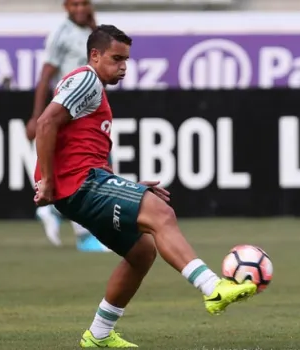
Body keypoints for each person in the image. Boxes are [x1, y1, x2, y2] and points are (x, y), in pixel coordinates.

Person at [33, 24, 257, 348]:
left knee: (141, 251)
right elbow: (45, 123)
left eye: (126, 60)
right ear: (94, 55)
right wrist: (49, 181)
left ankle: (98, 334)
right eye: (116, 59)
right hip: (78, 183)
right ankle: (214, 288)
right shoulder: (85, 79)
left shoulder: (91, 87)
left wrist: (125, 187)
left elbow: (79, 147)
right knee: (160, 212)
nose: (123, 67)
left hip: (85, 181)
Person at [25, 0, 108, 252]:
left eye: (84, 3)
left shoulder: (94, 31)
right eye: (75, 4)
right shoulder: (60, 34)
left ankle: (54, 212)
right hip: (70, 110)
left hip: (90, 110)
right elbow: (45, 77)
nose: (80, 9)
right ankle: (85, 235)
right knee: (86, 170)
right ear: (66, 6)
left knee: (90, 168)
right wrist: (36, 116)